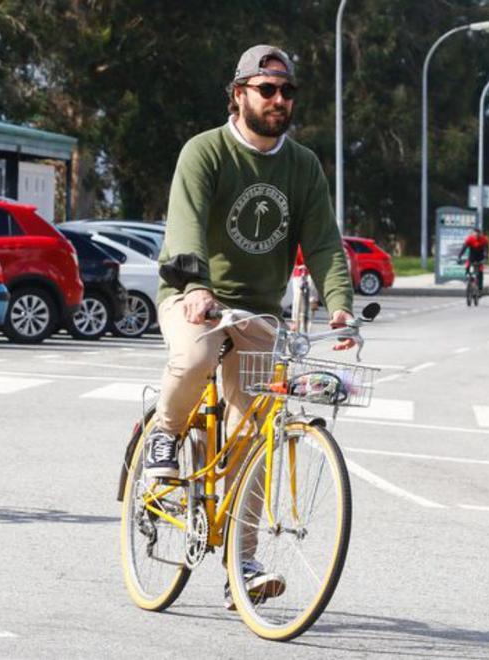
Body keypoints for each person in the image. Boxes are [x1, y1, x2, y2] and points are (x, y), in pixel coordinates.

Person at [148, 44, 355, 609]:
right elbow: (185, 225)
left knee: (256, 434)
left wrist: (340, 305)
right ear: (238, 93)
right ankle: (165, 434)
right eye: (267, 89)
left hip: (260, 311)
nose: (279, 100)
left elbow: (323, 243)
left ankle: (242, 561)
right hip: (194, 298)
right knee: (191, 360)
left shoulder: (303, 165)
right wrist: (195, 286)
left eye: (287, 91)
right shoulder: (206, 152)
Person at [458, 226, 489, 291]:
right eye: (475, 233)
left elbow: (486, 249)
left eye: (478, 233)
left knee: (480, 272)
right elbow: (464, 248)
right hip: (472, 256)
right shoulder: (470, 239)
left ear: (480, 234)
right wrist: (459, 256)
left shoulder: (484, 239)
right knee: (467, 268)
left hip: (480, 257)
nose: (477, 235)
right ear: (473, 233)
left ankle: (480, 288)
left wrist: (486, 258)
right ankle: (470, 281)